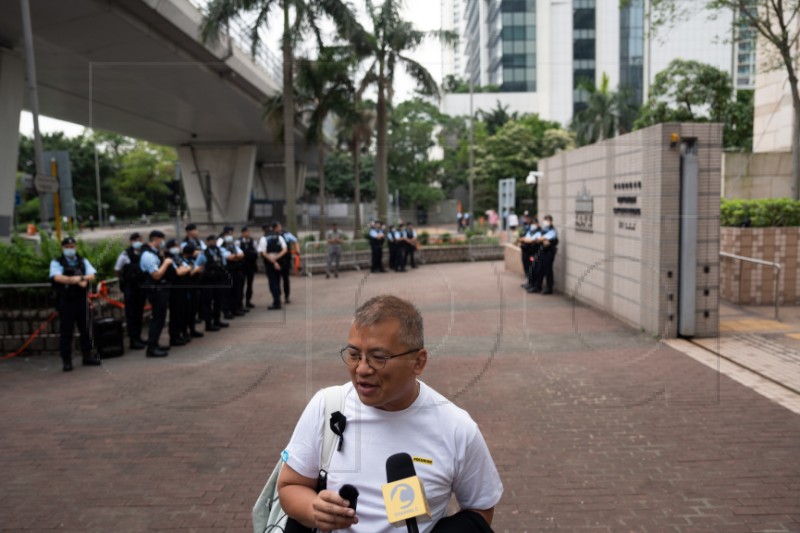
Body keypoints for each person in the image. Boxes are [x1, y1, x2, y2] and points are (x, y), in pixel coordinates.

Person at [277, 295, 503, 532]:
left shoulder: (457, 427)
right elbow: (290, 485)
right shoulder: (328, 407)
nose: (362, 369)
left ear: (418, 361)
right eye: (354, 354)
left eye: (379, 357)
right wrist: (314, 509)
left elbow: (481, 508)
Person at [50, 237, 102, 372]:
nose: (70, 249)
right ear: (63, 248)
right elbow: (56, 277)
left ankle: (87, 356)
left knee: (85, 329)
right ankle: (66, 360)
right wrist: (76, 280)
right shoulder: (57, 262)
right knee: (66, 332)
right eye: (67, 247)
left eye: (72, 246)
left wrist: (78, 278)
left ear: (76, 247)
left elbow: (92, 276)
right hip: (66, 301)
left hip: (81, 300)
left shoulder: (82, 261)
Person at [139, 230, 174, 358]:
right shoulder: (148, 255)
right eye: (161, 240)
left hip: (160, 290)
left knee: (160, 318)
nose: (162, 243)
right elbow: (156, 275)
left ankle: (155, 344)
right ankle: (151, 348)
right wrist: (166, 263)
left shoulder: (155, 254)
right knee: (157, 319)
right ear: (155, 239)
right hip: (155, 290)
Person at [114, 232, 147, 350]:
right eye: (135, 240)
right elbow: (117, 270)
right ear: (131, 241)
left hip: (141, 287)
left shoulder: (144, 253)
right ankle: (133, 340)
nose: (138, 242)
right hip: (130, 288)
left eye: (140, 239)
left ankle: (138, 337)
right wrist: (123, 279)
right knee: (131, 314)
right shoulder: (125, 254)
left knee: (139, 313)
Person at [195, 234, 231, 330]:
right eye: (211, 241)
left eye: (214, 241)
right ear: (207, 242)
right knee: (207, 303)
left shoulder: (219, 252)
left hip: (218, 280)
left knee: (218, 301)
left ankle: (217, 320)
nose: (213, 243)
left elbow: (224, 264)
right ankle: (208, 323)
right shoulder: (203, 254)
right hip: (207, 282)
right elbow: (197, 266)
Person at [163, 239, 193, 346]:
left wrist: (186, 269)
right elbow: (179, 272)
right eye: (175, 246)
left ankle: (180, 334)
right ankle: (174, 337)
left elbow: (187, 267)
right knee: (175, 314)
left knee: (182, 313)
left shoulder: (177, 258)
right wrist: (186, 269)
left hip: (182, 288)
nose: (178, 247)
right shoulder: (168, 259)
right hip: (175, 290)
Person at [258, 223, 287, 310]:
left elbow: (263, 252)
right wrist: (277, 258)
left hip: (270, 262)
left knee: (272, 281)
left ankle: (276, 301)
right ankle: (278, 298)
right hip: (279, 260)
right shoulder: (279, 236)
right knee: (277, 280)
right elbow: (285, 249)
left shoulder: (263, 238)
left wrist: (272, 260)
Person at [219, 226, 246, 319]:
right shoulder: (221, 243)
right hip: (226, 270)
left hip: (235, 269)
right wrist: (235, 256)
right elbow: (228, 257)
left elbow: (241, 254)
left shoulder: (232, 244)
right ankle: (227, 311)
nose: (231, 235)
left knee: (236, 290)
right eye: (229, 234)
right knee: (227, 292)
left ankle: (235, 308)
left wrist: (235, 256)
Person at [180, 243, 205, 340]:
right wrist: (196, 270)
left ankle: (192, 329)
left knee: (193, 310)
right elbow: (189, 272)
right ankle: (184, 332)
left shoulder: (191, 260)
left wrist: (197, 269)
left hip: (195, 287)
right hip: (187, 289)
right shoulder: (182, 261)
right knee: (186, 311)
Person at [531, 215, 558, 295]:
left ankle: (549, 288)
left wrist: (541, 240)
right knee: (539, 269)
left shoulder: (552, 230)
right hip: (542, 252)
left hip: (549, 253)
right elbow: (537, 239)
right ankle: (537, 286)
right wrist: (541, 240)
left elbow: (542, 239)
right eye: (545, 220)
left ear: (551, 221)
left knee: (548, 270)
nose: (546, 222)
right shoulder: (543, 230)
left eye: (548, 220)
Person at [276, 222, 298, 303]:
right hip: (276, 259)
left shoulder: (286, 234)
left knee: (285, 279)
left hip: (285, 259)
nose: (278, 228)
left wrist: (297, 251)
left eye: (279, 226)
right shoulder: (272, 235)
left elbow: (295, 240)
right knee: (276, 279)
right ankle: (277, 296)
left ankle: (287, 296)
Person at [239, 226, 259, 308]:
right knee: (241, 284)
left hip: (251, 265)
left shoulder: (252, 241)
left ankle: (248, 300)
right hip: (242, 266)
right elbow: (239, 254)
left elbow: (255, 253)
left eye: (248, 232)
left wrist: (247, 254)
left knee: (250, 284)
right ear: (243, 233)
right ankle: (240, 301)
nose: (248, 234)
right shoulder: (239, 242)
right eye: (246, 232)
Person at [518, 219, 540, 292]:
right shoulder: (529, 231)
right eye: (532, 224)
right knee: (527, 268)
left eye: (534, 223)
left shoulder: (539, 232)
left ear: (538, 224)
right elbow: (522, 239)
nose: (532, 225)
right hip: (526, 252)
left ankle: (534, 284)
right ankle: (529, 282)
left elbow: (531, 241)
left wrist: (525, 240)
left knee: (533, 269)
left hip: (533, 253)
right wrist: (524, 240)